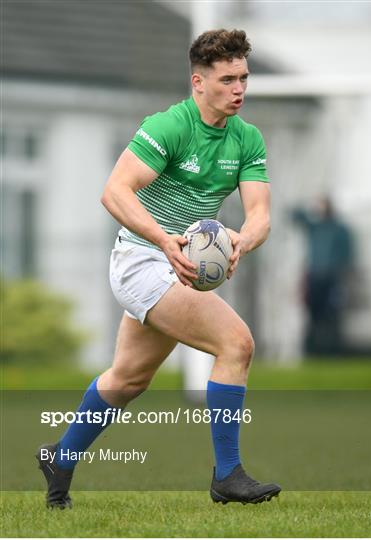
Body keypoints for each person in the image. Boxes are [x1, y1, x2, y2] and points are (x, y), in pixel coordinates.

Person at [37, 29, 281, 508]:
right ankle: (227, 475)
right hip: (141, 260)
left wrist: (239, 239)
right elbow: (115, 191)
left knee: (127, 380)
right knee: (236, 344)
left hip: (179, 267)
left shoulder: (247, 139)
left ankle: (60, 457)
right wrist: (163, 241)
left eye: (244, 78)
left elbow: (260, 215)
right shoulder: (170, 126)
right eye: (228, 79)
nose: (239, 89)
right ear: (198, 82)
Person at [292, 196, 354, 355]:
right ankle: (313, 351)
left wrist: (344, 277)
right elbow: (295, 216)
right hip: (314, 278)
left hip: (332, 278)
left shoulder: (340, 229)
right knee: (313, 315)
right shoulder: (315, 227)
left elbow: (348, 256)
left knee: (332, 315)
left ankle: (333, 350)